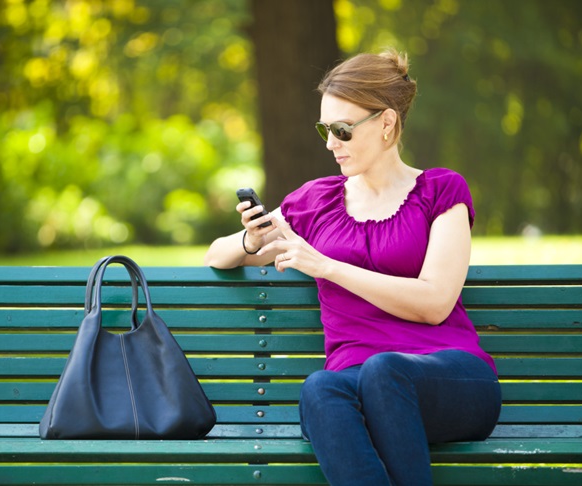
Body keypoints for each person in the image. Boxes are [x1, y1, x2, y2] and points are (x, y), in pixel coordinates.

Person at [204, 50, 501, 486]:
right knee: (319, 389)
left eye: (342, 130)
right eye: (325, 129)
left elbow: (435, 303)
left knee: (384, 370)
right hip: (357, 382)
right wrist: (251, 239)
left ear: (386, 123)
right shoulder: (316, 202)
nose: (330, 144)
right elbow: (217, 255)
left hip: (448, 379)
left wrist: (328, 266)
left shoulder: (440, 191)